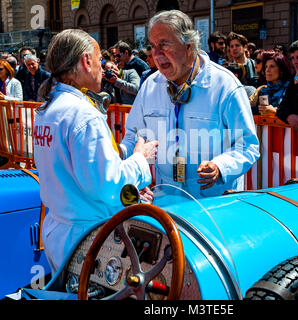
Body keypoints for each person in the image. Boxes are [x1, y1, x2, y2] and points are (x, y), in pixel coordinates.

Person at [33, 29, 158, 273]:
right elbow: (107, 184)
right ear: (86, 61)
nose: (103, 68)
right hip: (87, 239)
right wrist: (141, 160)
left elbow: (77, 170)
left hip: (59, 231)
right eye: (100, 60)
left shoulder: (48, 109)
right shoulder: (84, 114)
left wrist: (123, 165)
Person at [119, 10, 259, 198]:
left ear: (189, 45)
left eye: (164, 45)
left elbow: (247, 145)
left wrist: (221, 166)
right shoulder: (150, 87)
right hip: (166, 199)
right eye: (153, 46)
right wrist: (118, 154)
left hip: (215, 202)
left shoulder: (225, 86)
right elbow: (134, 138)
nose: (157, 54)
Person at [249, 51, 292, 116]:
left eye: (272, 66)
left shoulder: (291, 89)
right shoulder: (262, 90)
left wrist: (275, 112)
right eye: (266, 66)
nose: (267, 70)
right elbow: (246, 108)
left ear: (281, 70)